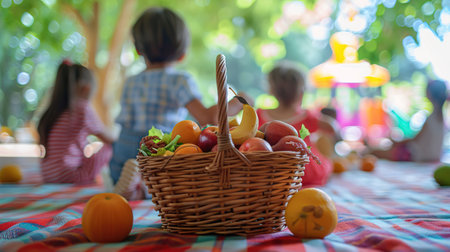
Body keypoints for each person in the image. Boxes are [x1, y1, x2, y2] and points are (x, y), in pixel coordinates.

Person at [111, 7, 249, 199]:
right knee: (172, 171)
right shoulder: (179, 80)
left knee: (131, 166)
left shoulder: (131, 81)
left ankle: (131, 184)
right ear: (182, 53)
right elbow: (208, 118)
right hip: (158, 151)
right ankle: (144, 188)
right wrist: (239, 102)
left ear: (138, 50)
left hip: (123, 149)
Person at [256, 61, 336, 187]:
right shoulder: (307, 117)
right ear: (301, 92)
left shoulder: (259, 114)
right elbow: (332, 127)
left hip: (270, 172)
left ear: (272, 90)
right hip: (304, 171)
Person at [38, 61, 114, 184]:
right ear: (87, 88)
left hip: (48, 175)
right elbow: (109, 139)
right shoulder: (82, 109)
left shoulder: (55, 111)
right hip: (68, 175)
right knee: (110, 149)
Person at [371, 80, 448, 162]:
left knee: (374, 152)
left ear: (429, 94)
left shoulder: (431, 118)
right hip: (433, 157)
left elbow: (415, 139)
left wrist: (396, 142)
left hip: (419, 156)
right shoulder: (441, 117)